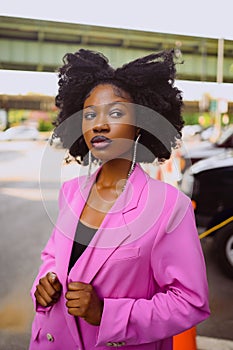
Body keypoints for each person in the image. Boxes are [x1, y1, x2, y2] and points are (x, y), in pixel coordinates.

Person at [29, 49, 210, 350]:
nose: (98, 124)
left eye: (115, 113)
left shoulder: (168, 206)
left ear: (140, 123)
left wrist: (106, 314)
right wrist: (44, 282)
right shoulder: (71, 192)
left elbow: (190, 301)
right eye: (89, 114)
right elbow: (53, 257)